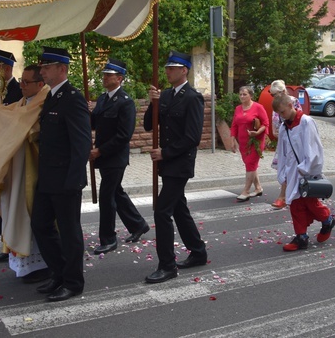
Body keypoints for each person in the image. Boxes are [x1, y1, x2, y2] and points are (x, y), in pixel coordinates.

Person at [0, 64, 51, 284]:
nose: (22, 85)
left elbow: (33, 131)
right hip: (15, 169)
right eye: (22, 81)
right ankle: (25, 263)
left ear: (39, 84)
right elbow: (12, 121)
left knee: (30, 215)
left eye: (26, 82)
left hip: (30, 170)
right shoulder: (23, 102)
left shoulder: (44, 101)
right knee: (13, 211)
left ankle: (42, 265)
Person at [31, 46, 91, 302]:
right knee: (40, 225)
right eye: (42, 67)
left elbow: (81, 143)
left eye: (46, 67)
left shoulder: (73, 98)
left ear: (62, 69)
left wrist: (75, 179)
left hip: (66, 179)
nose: (42, 71)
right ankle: (58, 272)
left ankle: (73, 282)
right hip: (47, 177)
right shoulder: (52, 97)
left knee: (69, 232)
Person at [143, 51, 208, 283]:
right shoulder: (167, 96)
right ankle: (198, 252)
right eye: (167, 68)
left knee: (162, 211)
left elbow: (192, 137)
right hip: (166, 164)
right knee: (179, 208)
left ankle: (167, 265)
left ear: (184, 70)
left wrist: (165, 153)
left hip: (179, 164)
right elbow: (149, 126)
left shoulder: (193, 98)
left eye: (173, 68)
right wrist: (154, 103)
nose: (168, 71)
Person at [90, 59, 150, 255]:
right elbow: (93, 123)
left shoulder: (126, 102)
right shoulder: (102, 99)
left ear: (120, 78)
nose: (105, 78)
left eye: (109, 75)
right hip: (104, 156)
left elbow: (124, 135)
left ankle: (108, 239)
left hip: (115, 157)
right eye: (104, 74)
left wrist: (100, 150)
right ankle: (138, 224)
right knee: (116, 192)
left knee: (107, 196)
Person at [273, 93, 335, 251]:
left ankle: (327, 219)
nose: (281, 116)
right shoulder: (284, 126)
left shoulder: (306, 122)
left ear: (290, 105)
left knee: (308, 201)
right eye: (278, 113)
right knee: (295, 203)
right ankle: (301, 236)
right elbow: (282, 150)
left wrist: (307, 168)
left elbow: (314, 147)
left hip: (304, 170)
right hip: (292, 170)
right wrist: (283, 171)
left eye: (282, 112)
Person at [0, 47, 23, 262]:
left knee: (8, 200)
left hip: (11, 156)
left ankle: (13, 243)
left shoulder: (16, 91)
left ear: (6, 69)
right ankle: (6, 242)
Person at [268, 79, 303, 209]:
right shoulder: (276, 103)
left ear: (283, 91)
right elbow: (275, 121)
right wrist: (275, 131)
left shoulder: (292, 101)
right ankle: (287, 194)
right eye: (271, 94)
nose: (273, 97)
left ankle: (283, 196)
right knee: (283, 167)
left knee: (290, 167)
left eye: (274, 94)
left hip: (292, 140)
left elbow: (298, 120)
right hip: (282, 139)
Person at [231, 85, 269, 201]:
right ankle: (258, 188)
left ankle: (246, 191)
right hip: (243, 142)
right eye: (240, 94)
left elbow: (265, 124)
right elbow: (234, 125)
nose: (242, 96)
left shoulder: (258, 107)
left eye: (245, 94)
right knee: (250, 165)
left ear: (251, 95)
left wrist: (257, 133)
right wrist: (233, 140)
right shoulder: (238, 108)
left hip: (255, 141)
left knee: (250, 165)